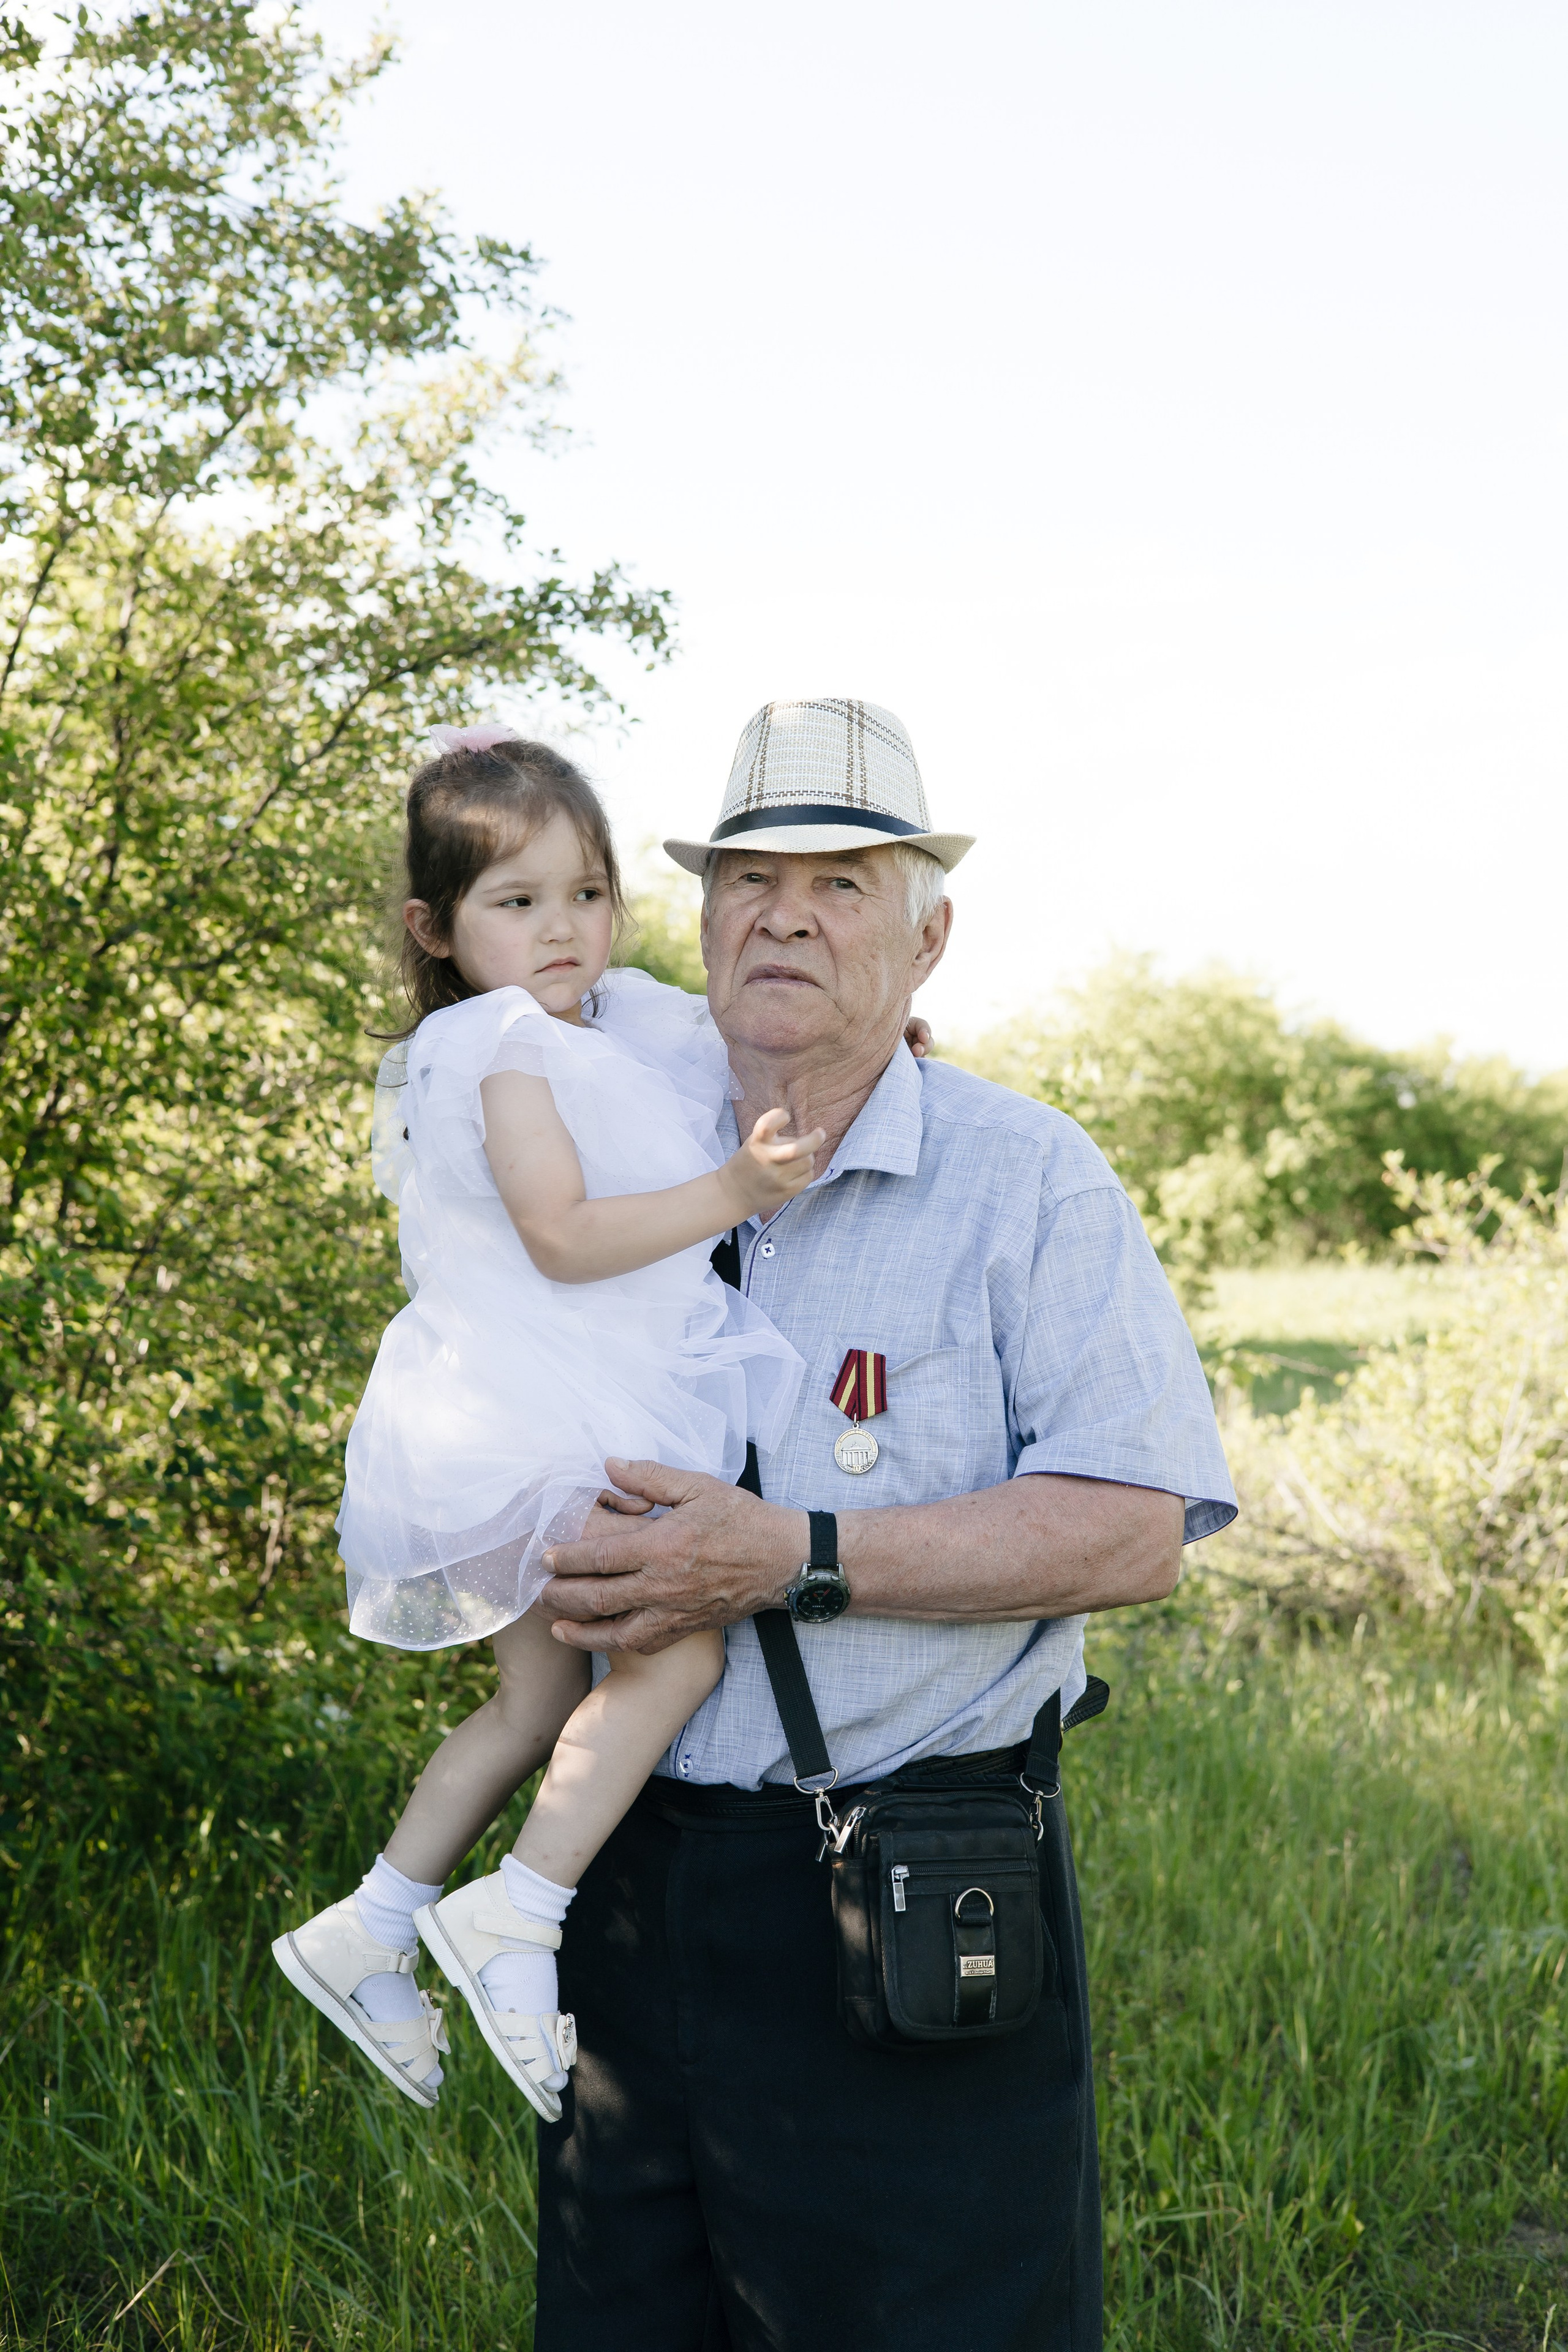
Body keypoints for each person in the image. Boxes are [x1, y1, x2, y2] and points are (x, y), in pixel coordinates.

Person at [529, 697, 1238, 2351]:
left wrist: (797, 1561)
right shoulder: (609, 1137)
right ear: (698, 920)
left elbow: (1136, 1529)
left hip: (910, 1883)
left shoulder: (1028, 1181)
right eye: (747, 877)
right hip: (621, 1890)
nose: (785, 911)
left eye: (845, 882)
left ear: (930, 938)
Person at [273, 725, 818, 2119]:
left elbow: (744, 1049)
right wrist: (734, 1198)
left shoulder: (617, 1014)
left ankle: (374, 1925)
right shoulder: (491, 1043)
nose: (562, 929)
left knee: (535, 1698)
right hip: (517, 1420)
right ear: (435, 929)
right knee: (677, 1651)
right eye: (515, 905)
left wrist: (875, 1042)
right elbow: (564, 1236)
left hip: (539, 1414)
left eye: (584, 892)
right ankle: (518, 1910)